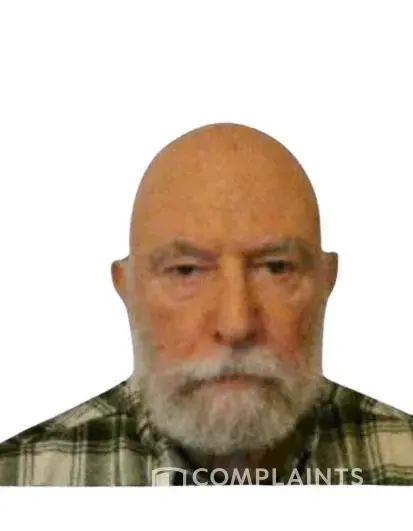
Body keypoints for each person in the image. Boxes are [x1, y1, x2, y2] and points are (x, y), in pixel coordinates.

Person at [0, 123, 412, 486]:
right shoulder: (21, 480)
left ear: (326, 281)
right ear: (127, 289)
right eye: (186, 271)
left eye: (276, 268)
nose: (236, 324)